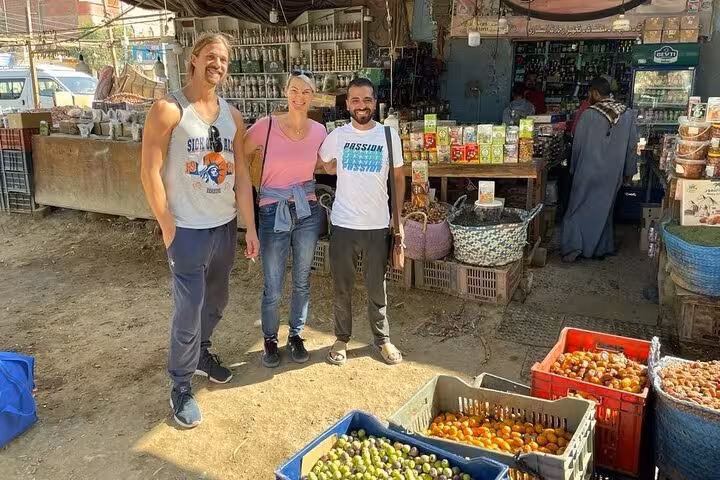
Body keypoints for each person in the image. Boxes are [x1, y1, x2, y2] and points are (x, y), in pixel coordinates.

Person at [140, 32, 259, 428]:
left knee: (216, 303)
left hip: (223, 226)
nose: (218, 65)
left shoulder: (232, 116)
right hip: (187, 231)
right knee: (188, 311)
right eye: (211, 56)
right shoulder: (169, 110)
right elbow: (149, 171)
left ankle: (202, 354)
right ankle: (181, 383)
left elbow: (241, 175)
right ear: (193, 59)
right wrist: (167, 224)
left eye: (224, 59)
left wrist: (249, 228)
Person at [243, 71, 327, 368]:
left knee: (302, 279)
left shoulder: (320, 131)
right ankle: (269, 338)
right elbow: (240, 154)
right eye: (295, 90)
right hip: (271, 210)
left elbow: (326, 162)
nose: (300, 96)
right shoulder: (266, 126)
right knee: (274, 284)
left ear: (313, 96)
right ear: (285, 92)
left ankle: (295, 334)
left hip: (306, 210)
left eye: (306, 91)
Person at [319, 77, 405, 366]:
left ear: (374, 102)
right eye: (355, 100)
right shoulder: (338, 136)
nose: (361, 105)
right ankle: (342, 338)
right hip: (343, 224)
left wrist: (398, 219)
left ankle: (382, 339)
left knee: (376, 286)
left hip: (377, 225)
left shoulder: (389, 136)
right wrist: (335, 169)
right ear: (347, 105)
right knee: (341, 286)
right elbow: (323, 163)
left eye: (366, 100)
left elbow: (398, 177)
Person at [561, 77, 637, 263]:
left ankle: (574, 247)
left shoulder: (589, 114)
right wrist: (628, 172)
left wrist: (573, 168)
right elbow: (631, 147)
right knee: (604, 210)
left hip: (587, 171)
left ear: (595, 92)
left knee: (577, 208)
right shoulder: (627, 115)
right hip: (613, 174)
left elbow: (577, 145)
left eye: (590, 93)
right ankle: (601, 248)